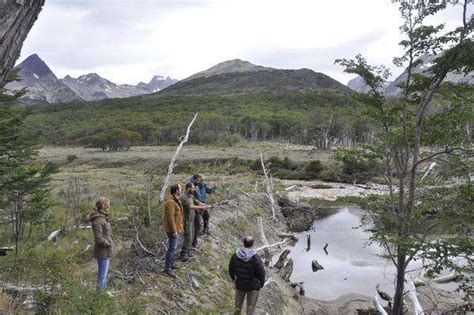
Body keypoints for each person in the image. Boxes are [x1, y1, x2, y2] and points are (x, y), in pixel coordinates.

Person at [228, 235, 265, 315]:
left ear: (244, 243)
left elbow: (231, 269)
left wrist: (234, 279)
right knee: (251, 309)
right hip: (253, 286)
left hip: (240, 285)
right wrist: (261, 284)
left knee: (237, 307)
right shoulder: (255, 257)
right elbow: (261, 273)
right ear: (252, 244)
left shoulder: (235, 256)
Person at [179, 183, 214, 261]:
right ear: (188, 188)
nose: (194, 189)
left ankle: (188, 252)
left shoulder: (191, 196)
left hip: (191, 219)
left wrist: (208, 205)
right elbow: (191, 207)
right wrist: (203, 207)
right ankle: (183, 254)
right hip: (186, 220)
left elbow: (197, 202)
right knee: (188, 237)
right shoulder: (183, 197)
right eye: (193, 188)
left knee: (191, 237)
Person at [88, 197, 116, 291]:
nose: (109, 206)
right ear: (103, 206)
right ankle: (100, 295)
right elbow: (99, 238)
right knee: (102, 274)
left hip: (106, 251)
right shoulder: (97, 220)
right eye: (108, 204)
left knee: (104, 274)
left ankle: (103, 292)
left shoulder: (102, 218)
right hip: (103, 251)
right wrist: (108, 243)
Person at [162, 184, 184, 278]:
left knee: (174, 247)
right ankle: (168, 268)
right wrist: (174, 231)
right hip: (172, 229)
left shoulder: (176, 200)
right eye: (180, 188)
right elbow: (170, 218)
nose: (181, 189)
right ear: (176, 190)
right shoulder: (171, 202)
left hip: (177, 228)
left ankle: (171, 264)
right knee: (172, 248)